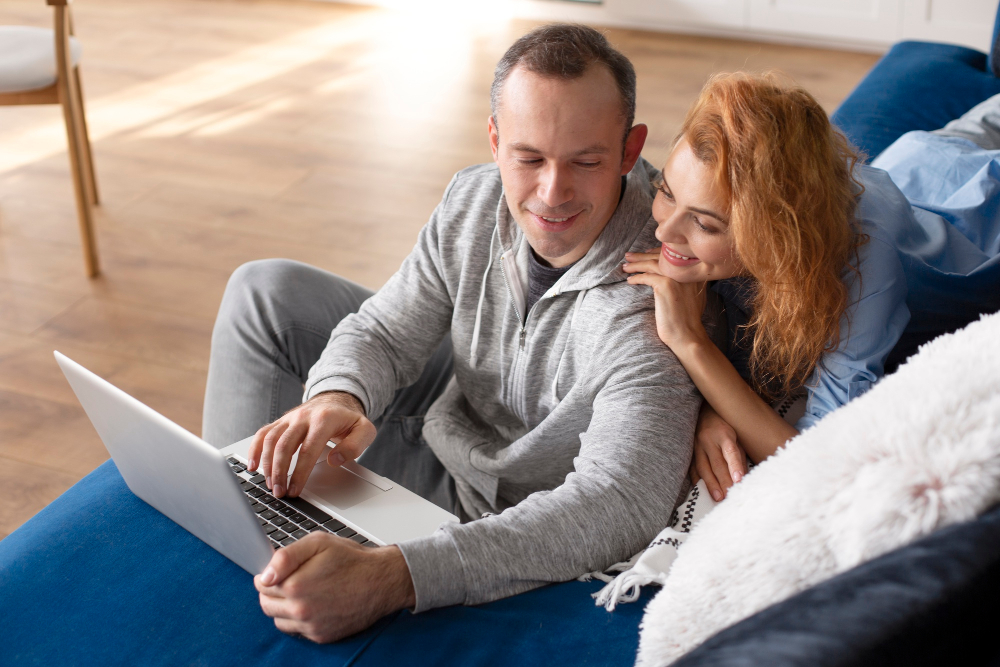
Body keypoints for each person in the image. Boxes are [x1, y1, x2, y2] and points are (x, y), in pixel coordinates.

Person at [201, 24, 702, 643]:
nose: (552, 193)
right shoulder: (473, 198)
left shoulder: (655, 293)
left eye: (586, 162)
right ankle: (250, 545)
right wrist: (338, 396)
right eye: (528, 158)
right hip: (457, 426)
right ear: (495, 140)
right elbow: (386, 331)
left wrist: (395, 577)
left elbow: (617, 501)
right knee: (265, 293)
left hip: (523, 508)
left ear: (629, 152)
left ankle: (280, 589)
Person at [623, 72, 1000, 502]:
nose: (664, 233)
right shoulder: (786, 172)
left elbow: (816, 457)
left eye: (705, 223)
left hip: (980, 215)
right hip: (923, 159)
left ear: (777, 233)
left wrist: (691, 343)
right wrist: (706, 412)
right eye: (667, 192)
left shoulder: (863, 261)